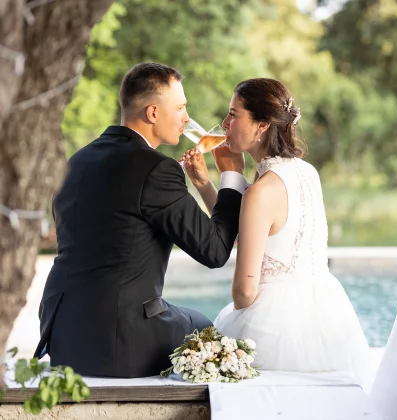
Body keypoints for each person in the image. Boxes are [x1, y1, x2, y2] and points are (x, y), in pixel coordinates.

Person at [33, 62, 247, 378]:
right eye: (181, 107)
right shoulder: (157, 169)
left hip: (61, 334)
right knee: (207, 329)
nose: (187, 118)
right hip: (119, 342)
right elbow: (214, 250)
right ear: (153, 113)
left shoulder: (76, 162)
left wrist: (201, 183)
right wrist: (232, 175)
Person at [181, 78, 371, 386]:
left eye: (233, 114)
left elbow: (244, 294)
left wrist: (231, 174)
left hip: (274, 326)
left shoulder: (262, 191)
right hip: (324, 312)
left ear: (262, 124)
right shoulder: (307, 173)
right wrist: (206, 183)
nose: (224, 124)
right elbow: (256, 229)